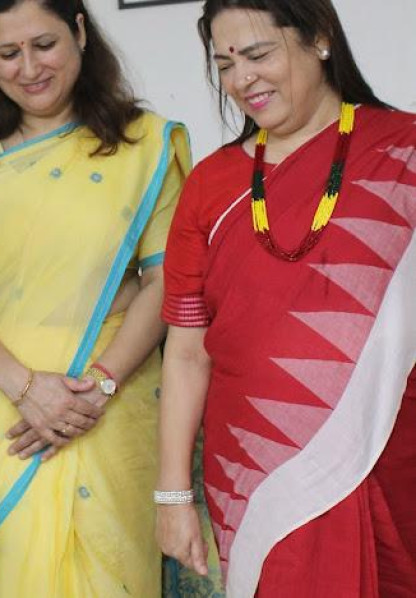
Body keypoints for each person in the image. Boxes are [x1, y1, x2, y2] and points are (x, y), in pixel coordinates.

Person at [0, 1, 191, 596]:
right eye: (7, 53)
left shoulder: (144, 145)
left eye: (44, 45)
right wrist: (23, 387)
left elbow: (167, 280)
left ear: (80, 31)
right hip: (0, 412)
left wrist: (99, 387)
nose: (29, 68)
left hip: (110, 406)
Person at [156, 1, 416, 596]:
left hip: (391, 456)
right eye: (225, 64)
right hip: (255, 475)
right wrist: (171, 497)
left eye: (257, 54)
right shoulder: (211, 185)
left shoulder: (405, 152)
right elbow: (187, 353)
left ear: (319, 38)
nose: (241, 79)